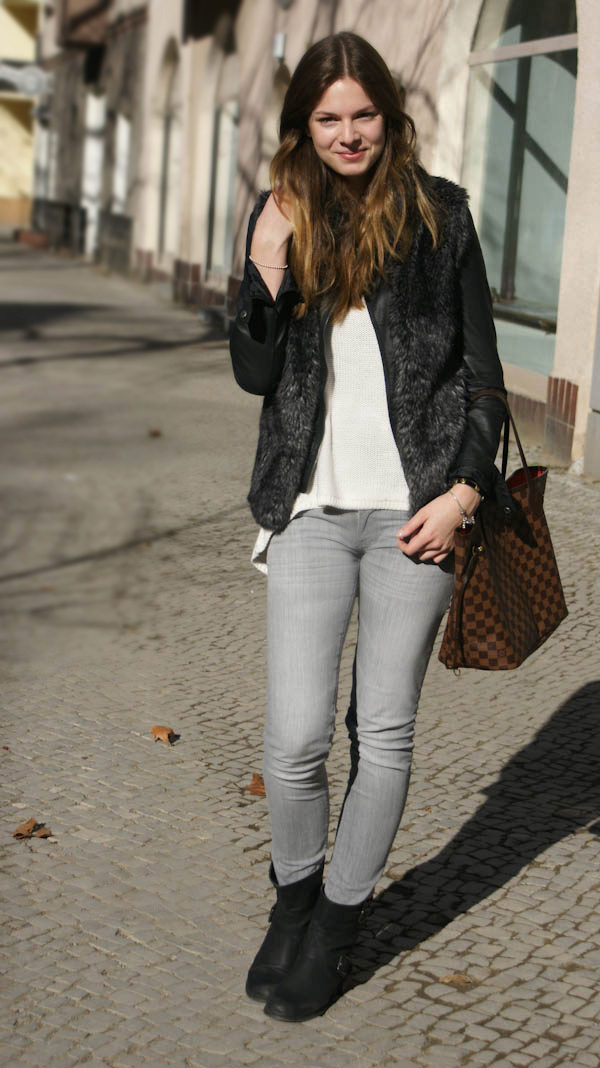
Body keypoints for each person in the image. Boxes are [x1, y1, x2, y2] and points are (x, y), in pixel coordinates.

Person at [229, 31, 505, 1023]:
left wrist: (463, 494)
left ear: (389, 116)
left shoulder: (442, 217)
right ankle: (293, 903)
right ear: (304, 125)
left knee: (382, 732)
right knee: (296, 738)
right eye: (328, 118)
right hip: (310, 508)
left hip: (415, 515)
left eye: (363, 115)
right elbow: (256, 375)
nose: (348, 134)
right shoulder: (279, 214)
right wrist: (267, 265)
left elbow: (485, 380)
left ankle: (337, 928)